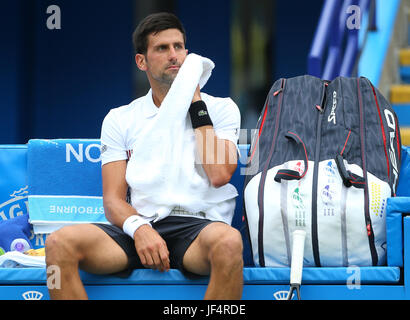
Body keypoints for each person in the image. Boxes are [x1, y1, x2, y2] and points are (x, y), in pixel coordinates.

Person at [45, 12, 243, 300]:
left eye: (179, 47)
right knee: (58, 244)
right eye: (162, 48)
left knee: (229, 243)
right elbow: (113, 200)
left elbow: (219, 174)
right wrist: (140, 229)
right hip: (140, 226)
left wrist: (195, 101)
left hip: (198, 228)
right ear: (142, 62)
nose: (174, 55)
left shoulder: (222, 108)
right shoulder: (120, 118)